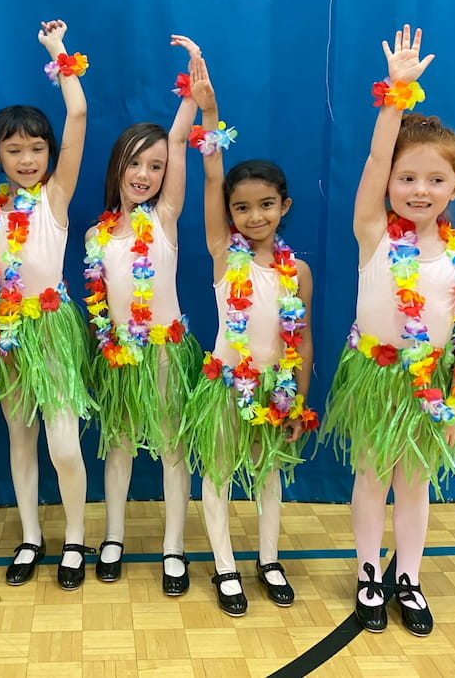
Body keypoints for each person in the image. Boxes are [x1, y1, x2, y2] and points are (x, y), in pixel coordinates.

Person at [320, 25, 455, 637]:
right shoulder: (375, 235)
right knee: (370, 474)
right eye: (407, 178)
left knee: (413, 483)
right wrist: (395, 93)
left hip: (433, 385)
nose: (420, 190)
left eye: (435, 181)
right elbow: (372, 157)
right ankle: (367, 574)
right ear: (390, 182)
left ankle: (407, 576)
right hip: (377, 374)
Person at [184, 58, 316, 617]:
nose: (253, 215)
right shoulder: (222, 255)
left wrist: (298, 398)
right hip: (225, 383)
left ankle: (267, 558)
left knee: (267, 474)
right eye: (242, 207)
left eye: (265, 205)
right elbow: (214, 174)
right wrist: (209, 109)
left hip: (275, 388)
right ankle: (224, 566)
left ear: (283, 206)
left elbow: (303, 341)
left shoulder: (298, 272)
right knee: (217, 473)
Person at [0, 19, 96, 590]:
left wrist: (57, 51)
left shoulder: (55, 197)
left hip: (51, 329)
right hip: (5, 335)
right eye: (14, 149)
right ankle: (30, 535)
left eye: (36, 148)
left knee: (62, 442)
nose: (27, 158)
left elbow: (77, 116)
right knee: (19, 438)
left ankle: (75, 537)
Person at [83, 35, 203, 594]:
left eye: (155, 166)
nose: (146, 174)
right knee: (119, 443)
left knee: (174, 445)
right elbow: (96, 303)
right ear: (119, 166)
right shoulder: (95, 235)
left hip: (166, 349)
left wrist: (192, 86)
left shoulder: (167, 217)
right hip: (119, 352)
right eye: (137, 162)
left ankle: (174, 546)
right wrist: (105, 346)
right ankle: (112, 536)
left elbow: (179, 140)